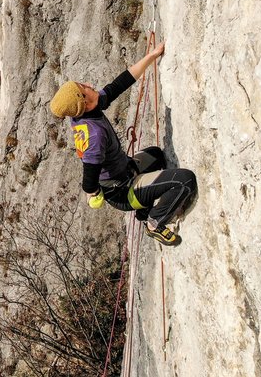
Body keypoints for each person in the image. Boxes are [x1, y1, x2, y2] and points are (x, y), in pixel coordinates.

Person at [49, 42, 197, 246]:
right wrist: (93, 193)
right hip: (123, 191)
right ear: (84, 100)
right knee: (185, 180)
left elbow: (120, 83)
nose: (88, 84)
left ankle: (144, 208)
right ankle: (154, 223)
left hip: (127, 170)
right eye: (83, 87)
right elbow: (89, 181)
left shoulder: (85, 111)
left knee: (156, 154)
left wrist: (152, 56)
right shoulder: (94, 136)